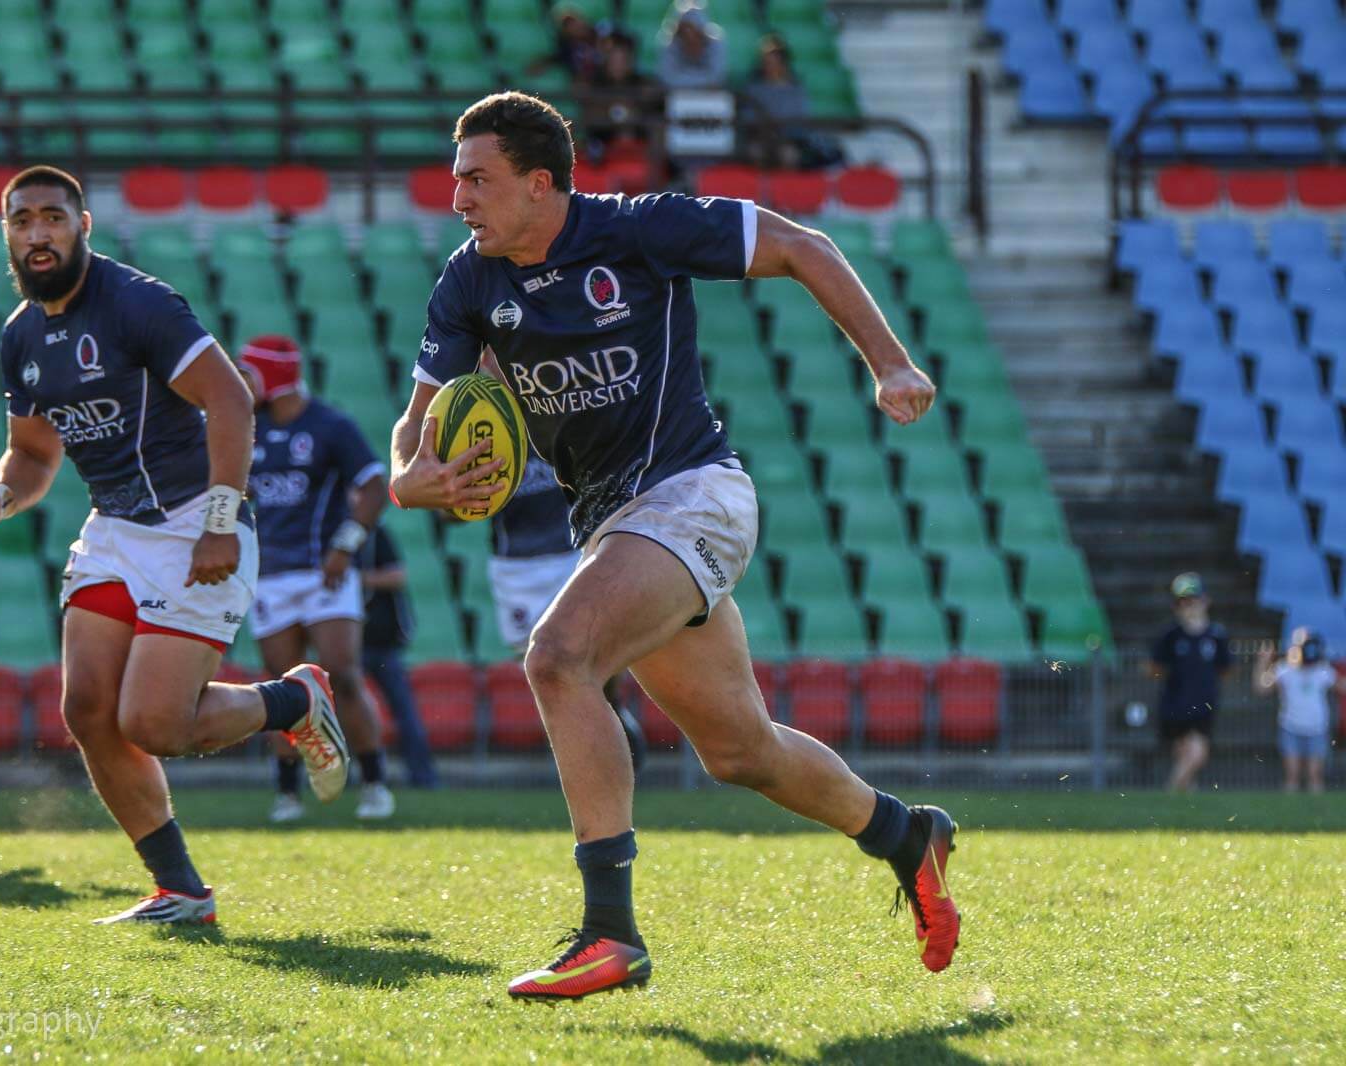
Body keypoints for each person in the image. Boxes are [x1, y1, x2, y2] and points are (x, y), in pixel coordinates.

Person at [391, 92, 955, 1001]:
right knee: (741, 753)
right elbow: (416, 427)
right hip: (615, 527)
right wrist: (408, 478)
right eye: (457, 179)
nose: (458, 198)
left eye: (477, 179)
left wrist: (890, 362)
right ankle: (905, 833)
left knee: (558, 658)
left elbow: (803, 246)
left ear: (539, 183)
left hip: (694, 494)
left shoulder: (639, 229)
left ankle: (610, 934)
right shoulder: (469, 281)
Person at [0, 166, 350, 925]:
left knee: (155, 726)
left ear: (83, 226)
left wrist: (221, 520)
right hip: (114, 528)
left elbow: (230, 398)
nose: (37, 233)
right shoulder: (21, 335)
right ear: (7, 234)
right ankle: (181, 891)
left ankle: (295, 700)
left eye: (52, 217)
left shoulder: (138, 301)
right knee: (88, 709)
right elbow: (32, 454)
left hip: (195, 519)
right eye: (21, 220)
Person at [232, 335, 394, 823]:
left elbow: (374, 486)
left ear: (272, 377)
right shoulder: (246, 428)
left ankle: (375, 782)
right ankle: (288, 792)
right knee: (282, 687)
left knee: (343, 673)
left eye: (248, 374)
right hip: (270, 576)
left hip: (326, 574)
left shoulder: (330, 425)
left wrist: (345, 546)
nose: (240, 383)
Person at [488, 448, 646, 771]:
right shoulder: (491, 432)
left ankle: (610, 709)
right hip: (515, 567)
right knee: (542, 663)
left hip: (569, 552)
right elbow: (450, 515)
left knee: (593, 649)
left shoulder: (558, 427)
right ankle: (582, 744)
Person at [356, 524, 440, 788]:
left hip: (383, 645)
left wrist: (357, 579)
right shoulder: (329, 532)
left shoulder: (375, 534)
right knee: (347, 712)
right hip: (350, 647)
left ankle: (423, 777)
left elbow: (398, 576)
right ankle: (346, 777)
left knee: (405, 713)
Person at [1149, 572, 1231, 792]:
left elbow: (1225, 668)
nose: (1189, 606)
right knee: (1184, 755)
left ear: (1205, 601)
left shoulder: (1216, 635)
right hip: (1175, 705)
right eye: (1183, 602)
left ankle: (1170, 792)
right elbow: (1155, 667)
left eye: (1193, 600)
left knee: (1197, 755)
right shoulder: (1170, 635)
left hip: (1203, 705)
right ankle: (1184, 799)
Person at [1255, 628, 1342, 793]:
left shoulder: (1322, 670)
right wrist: (1263, 662)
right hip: (1290, 727)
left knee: (1315, 775)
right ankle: (1290, 808)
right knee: (1292, 775)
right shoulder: (1284, 669)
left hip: (1317, 728)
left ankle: (1316, 808)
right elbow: (1261, 688)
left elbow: (1342, 686)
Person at [740, 35, 845, 170]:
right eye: (767, 61)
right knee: (756, 152)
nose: (771, 66)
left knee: (789, 155)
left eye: (775, 61)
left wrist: (782, 131)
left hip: (789, 139)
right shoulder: (754, 88)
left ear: (783, 62)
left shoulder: (796, 88)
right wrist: (765, 128)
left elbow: (801, 117)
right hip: (761, 137)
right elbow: (747, 115)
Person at [580, 30, 657, 165]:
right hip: (604, 140)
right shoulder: (595, 82)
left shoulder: (643, 82)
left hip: (637, 138)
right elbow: (591, 110)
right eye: (614, 59)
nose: (618, 65)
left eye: (622, 60)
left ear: (630, 60)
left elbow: (652, 100)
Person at [658, 4, 728, 91]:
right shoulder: (669, 43)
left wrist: (684, 81)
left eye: (694, 33)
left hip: (708, 95)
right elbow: (667, 78)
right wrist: (704, 83)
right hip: (678, 94)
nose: (689, 37)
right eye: (684, 34)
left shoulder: (716, 43)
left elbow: (717, 78)